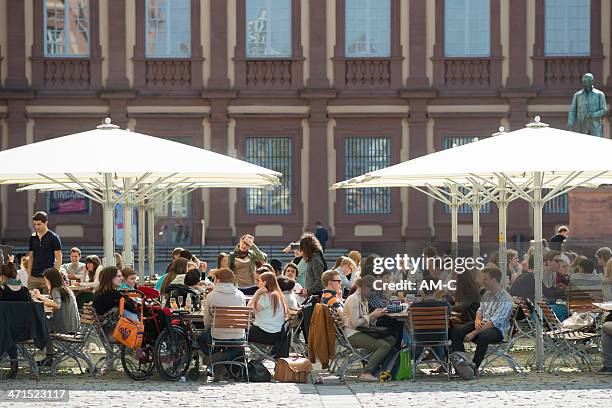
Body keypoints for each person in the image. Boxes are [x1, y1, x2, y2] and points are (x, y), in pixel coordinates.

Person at [451, 265, 513, 371]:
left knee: (483, 336)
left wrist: (474, 333)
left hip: (497, 330)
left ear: (494, 280)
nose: (482, 281)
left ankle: (474, 368)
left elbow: (494, 322)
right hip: (482, 325)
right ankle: (462, 365)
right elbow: (480, 310)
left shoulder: (505, 298)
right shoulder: (487, 294)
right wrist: (477, 319)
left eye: (485, 279)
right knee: (457, 332)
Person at [196, 267, 246, 380]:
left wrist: (208, 329)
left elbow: (207, 321)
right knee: (239, 346)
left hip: (217, 334)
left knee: (200, 339)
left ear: (217, 279)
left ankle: (216, 361)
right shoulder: (241, 295)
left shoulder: (211, 295)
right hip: (237, 335)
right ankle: (221, 359)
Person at [343, 275, 394, 382]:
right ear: (364, 287)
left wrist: (376, 315)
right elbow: (355, 323)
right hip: (353, 334)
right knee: (384, 346)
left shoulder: (363, 298)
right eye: (371, 289)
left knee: (392, 339)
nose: (372, 292)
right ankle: (367, 372)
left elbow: (365, 322)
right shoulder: (353, 299)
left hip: (361, 330)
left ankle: (380, 368)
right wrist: (372, 315)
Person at [31, 268, 80, 366]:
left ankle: (49, 357)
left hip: (65, 327)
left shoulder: (55, 289)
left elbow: (57, 305)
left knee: (43, 326)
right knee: (45, 325)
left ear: (50, 279)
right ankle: (49, 356)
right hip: (74, 325)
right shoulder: (65, 288)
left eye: (45, 279)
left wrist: (40, 298)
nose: (45, 281)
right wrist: (42, 297)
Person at [0, 262, 32, 379]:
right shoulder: (25, 291)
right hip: (24, 330)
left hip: (5, 331)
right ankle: (14, 366)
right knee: (8, 331)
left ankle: (14, 365)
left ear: (3, 277)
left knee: (6, 330)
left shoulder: (2, 291)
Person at [412, 277, 452, 364]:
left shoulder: (414, 306)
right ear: (437, 290)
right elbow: (449, 318)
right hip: (439, 337)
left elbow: (410, 322)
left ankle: (414, 361)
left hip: (420, 337)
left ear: (422, 289)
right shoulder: (445, 305)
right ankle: (444, 363)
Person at [247, 271, 288, 347]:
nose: (258, 283)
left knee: (240, 334)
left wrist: (257, 293)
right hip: (276, 333)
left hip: (266, 333)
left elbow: (248, 309)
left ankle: (233, 357)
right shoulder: (279, 295)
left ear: (265, 283)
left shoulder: (267, 296)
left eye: (259, 281)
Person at [27, 211, 62, 293]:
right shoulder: (32, 237)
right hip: (33, 278)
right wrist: (28, 276)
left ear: (46, 222)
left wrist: (54, 277)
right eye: (35, 224)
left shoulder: (54, 237)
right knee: (31, 302)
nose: (36, 227)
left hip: (47, 278)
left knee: (48, 303)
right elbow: (31, 257)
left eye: (39, 224)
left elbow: (59, 258)